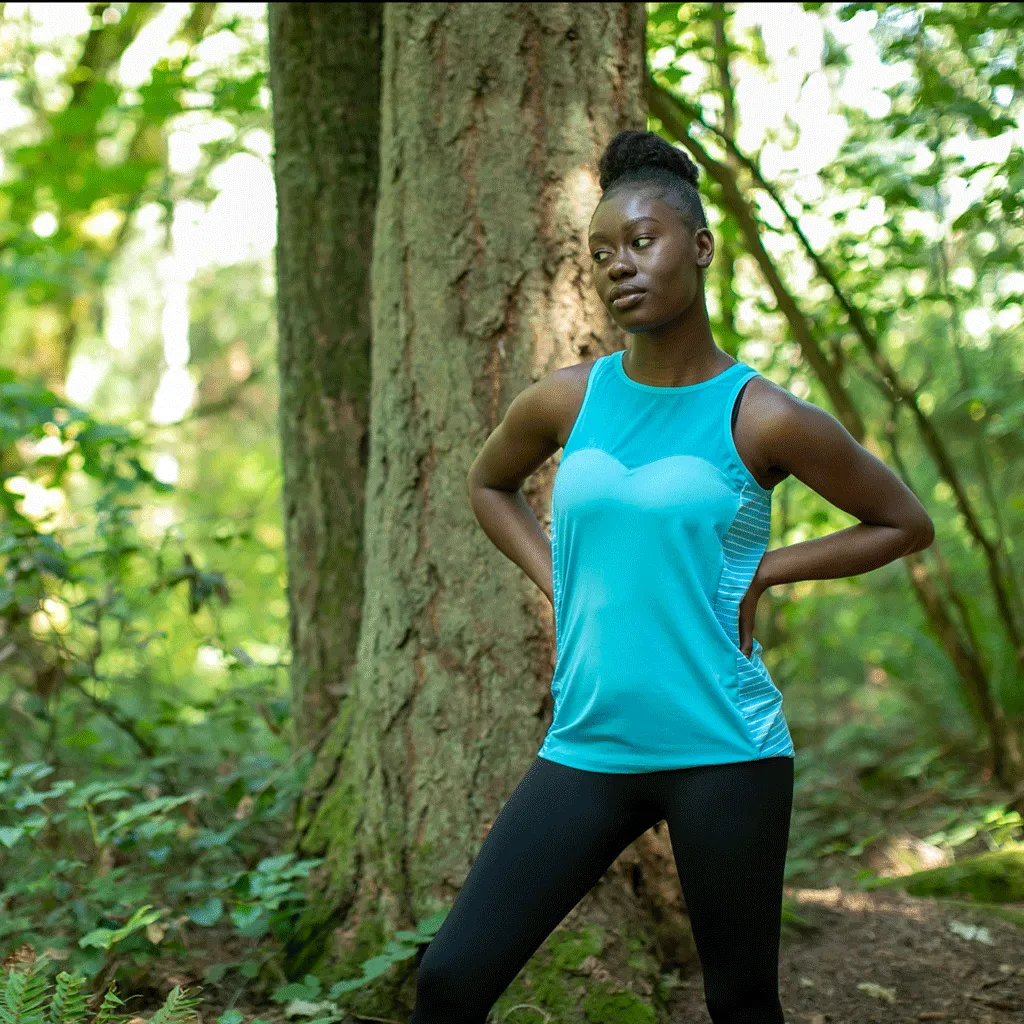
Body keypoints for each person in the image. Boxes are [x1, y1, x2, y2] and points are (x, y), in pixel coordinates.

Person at [409, 129, 934, 1024]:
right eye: (602, 252)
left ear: (699, 246)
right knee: (450, 980)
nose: (620, 265)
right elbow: (489, 484)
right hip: (588, 746)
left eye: (642, 241)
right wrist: (557, 578)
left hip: (725, 750)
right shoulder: (569, 399)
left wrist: (768, 569)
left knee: (738, 1004)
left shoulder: (765, 416)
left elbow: (902, 521)